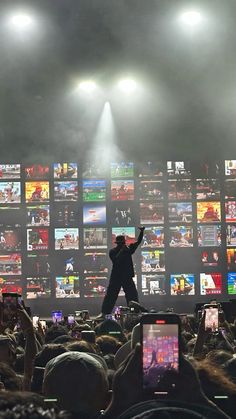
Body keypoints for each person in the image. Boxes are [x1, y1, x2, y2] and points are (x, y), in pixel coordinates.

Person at [97, 227, 145, 317]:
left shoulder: (128, 250)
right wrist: (123, 250)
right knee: (111, 295)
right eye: (120, 244)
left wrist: (142, 232)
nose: (122, 245)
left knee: (132, 295)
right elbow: (116, 260)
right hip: (116, 277)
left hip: (127, 276)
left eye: (122, 243)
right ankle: (105, 313)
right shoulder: (113, 251)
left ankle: (134, 312)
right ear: (117, 244)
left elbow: (138, 242)